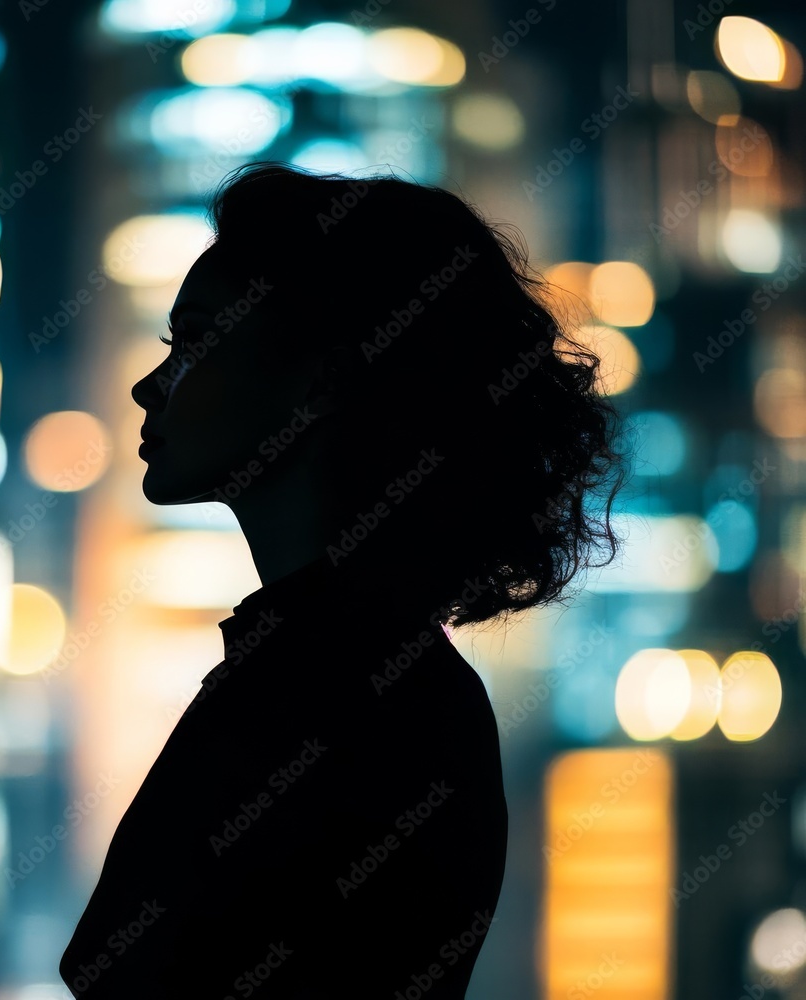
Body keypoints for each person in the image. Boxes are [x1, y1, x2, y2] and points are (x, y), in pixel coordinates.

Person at [59, 161, 628, 998]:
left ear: (322, 377)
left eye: (197, 339)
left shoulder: (328, 692)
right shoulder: (367, 677)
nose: (151, 385)